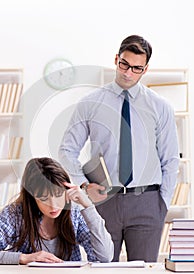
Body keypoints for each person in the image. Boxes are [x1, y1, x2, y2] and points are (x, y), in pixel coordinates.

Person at [58, 34, 179, 262]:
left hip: (147, 201)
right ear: (116, 59)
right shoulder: (90, 103)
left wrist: (162, 204)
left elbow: (170, 159)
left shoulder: (160, 107)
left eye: (136, 68)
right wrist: (84, 186)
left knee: (145, 270)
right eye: (124, 64)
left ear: (145, 69)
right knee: (102, 268)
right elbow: (67, 150)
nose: (128, 73)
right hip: (104, 201)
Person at [0, 157, 113, 264]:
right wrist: (23, 258)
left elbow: (104, 257)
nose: (53, 205)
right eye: (43, 198)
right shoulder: (16, 215)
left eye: (58, 195)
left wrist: (88, 206)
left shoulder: (74, 213)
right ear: (32, 197)